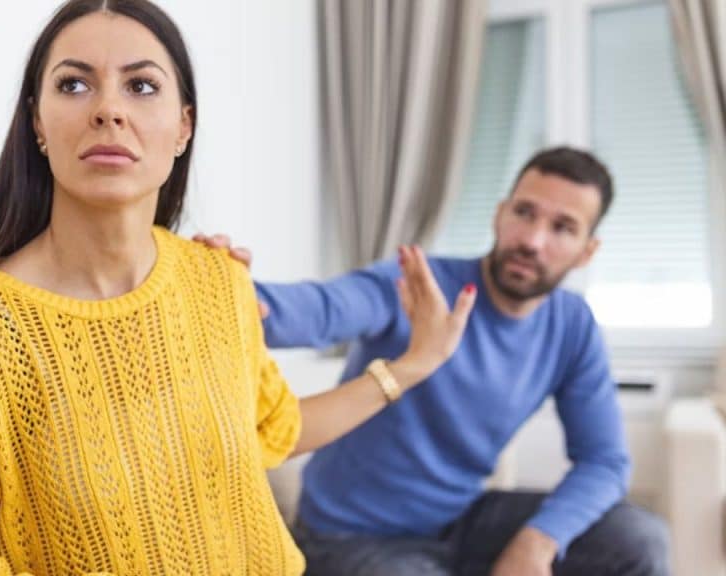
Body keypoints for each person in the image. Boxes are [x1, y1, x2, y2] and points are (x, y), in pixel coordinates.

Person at [0, 1, 475, 574]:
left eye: (141, 86)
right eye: (74, 85)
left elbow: (276, 430)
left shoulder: (217, 281)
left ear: (183, 126)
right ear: (38, 124)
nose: (109, 110)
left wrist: (415, 364)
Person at [199, 147, 671, 576]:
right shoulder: (418, 285)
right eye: (524, 213)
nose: (532, 239)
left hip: (459, 522)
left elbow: (605, 461)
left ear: (588, 251)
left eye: (562, 227)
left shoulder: (572, 326)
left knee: (638, 541)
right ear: (499, 214)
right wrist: (223, 289)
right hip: (350, 540)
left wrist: (537, 542)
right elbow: (319, 310)